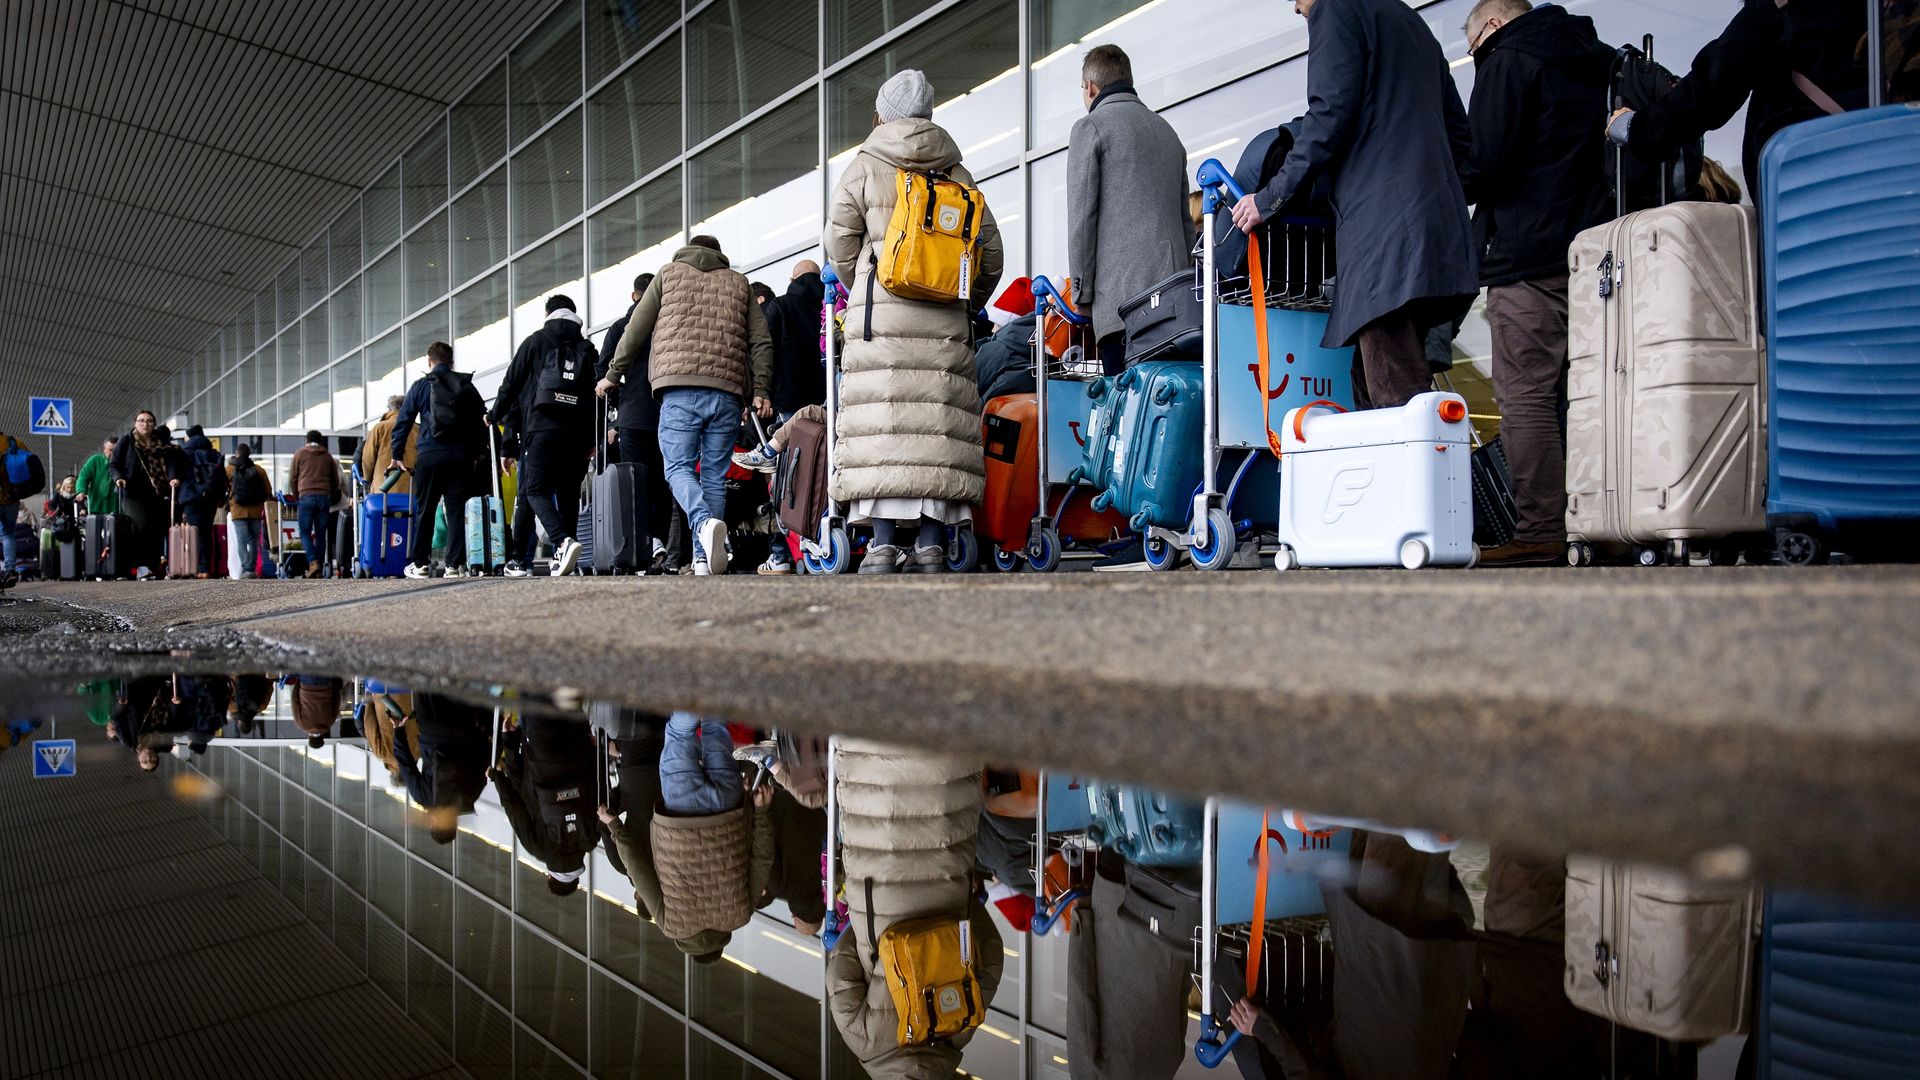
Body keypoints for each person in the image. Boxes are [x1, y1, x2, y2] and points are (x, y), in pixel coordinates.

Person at [1230, 0, 1479, 412]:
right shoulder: (1409, 20)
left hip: (1384, 237)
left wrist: (1269, 197)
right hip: (1433, 230)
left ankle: (1420, 474)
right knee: (1372, 385)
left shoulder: (1335, 8)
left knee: (1396, 398)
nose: (1296, 9)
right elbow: (1460, 136)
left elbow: (1328, 115)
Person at [823, 69, 1005, 575]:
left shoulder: (863, 167)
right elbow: (990, 255)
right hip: (945, 325)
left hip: (879, 323)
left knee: (884, 423)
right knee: (934, 429)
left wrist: (866, 282)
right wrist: (962, 302)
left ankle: (880, 546)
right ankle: (930, 545)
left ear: (882, 113)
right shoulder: (956, 172)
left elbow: (837, 242)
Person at [1456, 0, 1613, 568]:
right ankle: (1605, 521)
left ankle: (1541, 529)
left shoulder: (1507, 59)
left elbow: (1484, 164)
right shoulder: (1595, 58)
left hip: (1527, 255)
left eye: (1472, 45)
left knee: (1525, 397)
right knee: (1592, 395)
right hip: (1596, 252)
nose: (1476, 56)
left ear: (1493, 26)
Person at [598, 236, 775, 577]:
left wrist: (612, 374)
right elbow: (761, 341)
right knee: (713, 476)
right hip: (727, 391)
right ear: (719, 253)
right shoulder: (740, 283)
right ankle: (703, 559)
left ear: (688, 250)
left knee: (677, 468)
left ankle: (704, 523)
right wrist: (760, 389)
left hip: (679, 389)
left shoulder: (668, 275)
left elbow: (636, 329)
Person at [826, 738, 1003, 1075]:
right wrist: (865, 927)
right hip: (876, 822)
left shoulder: (961, 1027)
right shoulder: (862, 1038)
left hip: (946, 819)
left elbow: (991, 950)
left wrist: (963, 906)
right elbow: (841, 965)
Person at [1605, 2, 1869, 212]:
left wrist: (1636, 127)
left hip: (1813, 183)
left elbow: (1715, 82)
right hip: (1891, 162)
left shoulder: (1783, 10)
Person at [599, 712, 774, 960]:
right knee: (679, 734)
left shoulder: (741, 914)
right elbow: (638, 869)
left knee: (715, 727)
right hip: (680, 815)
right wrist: (614, 824)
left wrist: (760, 811)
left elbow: (762, 857)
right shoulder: (671, 925)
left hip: (727, 811)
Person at [1068, 44, 1197, 377]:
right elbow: (1185, 224)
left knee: (1128, 416)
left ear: (1090, 87)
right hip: (1174, 309)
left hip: (1123, 309)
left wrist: (1082, 294)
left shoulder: (1091, 127)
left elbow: (1083, 218)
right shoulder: (1167, 133)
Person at [490, 295, 597, 578]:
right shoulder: (587, 347)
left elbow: (511, 383)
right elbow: (596, 394)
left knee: (534, 490)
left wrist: (494, 414)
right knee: (568, 493)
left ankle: (562, 542)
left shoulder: (536, 341)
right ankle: (567, 562)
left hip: (542, 427)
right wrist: (593, 440)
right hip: (577, 433)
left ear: (548, 314)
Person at [750, 259, 830, 574]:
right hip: (827, 402)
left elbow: (765, 351)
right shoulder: (829, 307)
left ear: (793, 278)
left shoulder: (780, 307)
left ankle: (782, 553)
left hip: (788, 404)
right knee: (822, 475)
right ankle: (821, 536)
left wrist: (761, 392)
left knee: (785, 480)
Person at [593, 273, 670, 576]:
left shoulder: (619, 328)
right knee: (663, 483)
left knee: (634, 483)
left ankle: (638, 548)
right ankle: (660, 542)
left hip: (634, 417)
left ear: (633, 296)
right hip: (667, 412)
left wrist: (621, 401)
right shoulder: (667, 323)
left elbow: (602, 373)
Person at [391, 341, 488, 579]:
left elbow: (403, 421)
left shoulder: (421, 386)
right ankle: (454, 566)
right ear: (452, 362)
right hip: (460, 458)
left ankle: (421, 564)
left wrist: (397, 454)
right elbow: (481, 422)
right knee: (455, 511)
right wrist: (476, 454)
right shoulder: (466, 386)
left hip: (430, 455)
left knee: (426, 509)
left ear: (429, 361)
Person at [491, 715, 602, 893]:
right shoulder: (538, 848)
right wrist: (508, 746)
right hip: (541, 756)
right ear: (550, 875)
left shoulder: (590, 840)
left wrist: (597, 753)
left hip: (578, 751)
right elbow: (514, 806)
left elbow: (599, 790)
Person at [108, 410, 182, 578]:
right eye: (141, 420)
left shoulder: (161, 442)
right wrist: (118, 478)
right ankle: (139, 565)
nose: (145, 424)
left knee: (155, 528)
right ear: (135, 423)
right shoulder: (126, 441)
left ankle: (152, 565)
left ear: (154, 424)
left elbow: (171, 462)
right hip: (130, 492)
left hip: (155, 491)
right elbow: (114, 464)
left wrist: (173, 478)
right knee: (139, 524)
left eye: (149, 421)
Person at [286, 430, 342, 578]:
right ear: (321, 441)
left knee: (305, 532)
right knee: (320, 534)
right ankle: (317, 568)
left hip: (306, 496)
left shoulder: (299, 454)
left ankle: (313, 563)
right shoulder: (327, 456)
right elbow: (335, 480)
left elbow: (292, 478)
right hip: (324, 497)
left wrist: (298, 495)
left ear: (306, 440)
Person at [177, 425, 227, 577]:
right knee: (206, 532)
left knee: (194, 532)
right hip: (210, 497)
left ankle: (193, 567)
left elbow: (180, 474)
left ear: (189, 437)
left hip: (191, 497)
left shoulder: (185, 453)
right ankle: (205, 569)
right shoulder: (213, 453)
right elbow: (221, 477)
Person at [227, 443, 270, 578]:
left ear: (236, 453)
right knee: (253, 540)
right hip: (255, 510)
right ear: (249, 454)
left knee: (241, 541)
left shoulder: (229, 469)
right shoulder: (259, 470)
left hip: (237, 511)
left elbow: (222, 487)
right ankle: (250, 569)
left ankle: (246, 568)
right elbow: (268, 490)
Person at [361, 395, 416, 495]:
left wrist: (367, 479)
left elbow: (368, 458)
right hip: (411, 489)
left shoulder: (379, 428)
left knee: (384, 509)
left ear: (390, 409)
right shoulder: (417, 429)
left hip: (383, 487)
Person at [39, 475, 80, 569]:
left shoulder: (77, 497)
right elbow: (51, 505)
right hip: (61, 521)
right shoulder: (59, 496)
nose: (70, 490)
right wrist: (56, 513)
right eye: (68, 487)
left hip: (73, 521)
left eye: (72, 488)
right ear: (64, 487)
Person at [76, 436, 117, 518]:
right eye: (110, 450)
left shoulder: (124, 463)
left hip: (117, 508)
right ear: (104, 450)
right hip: (96, 507)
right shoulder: (95, 461)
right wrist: (81, 491)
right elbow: (83, 477)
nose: (113, 453)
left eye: (116, 450)